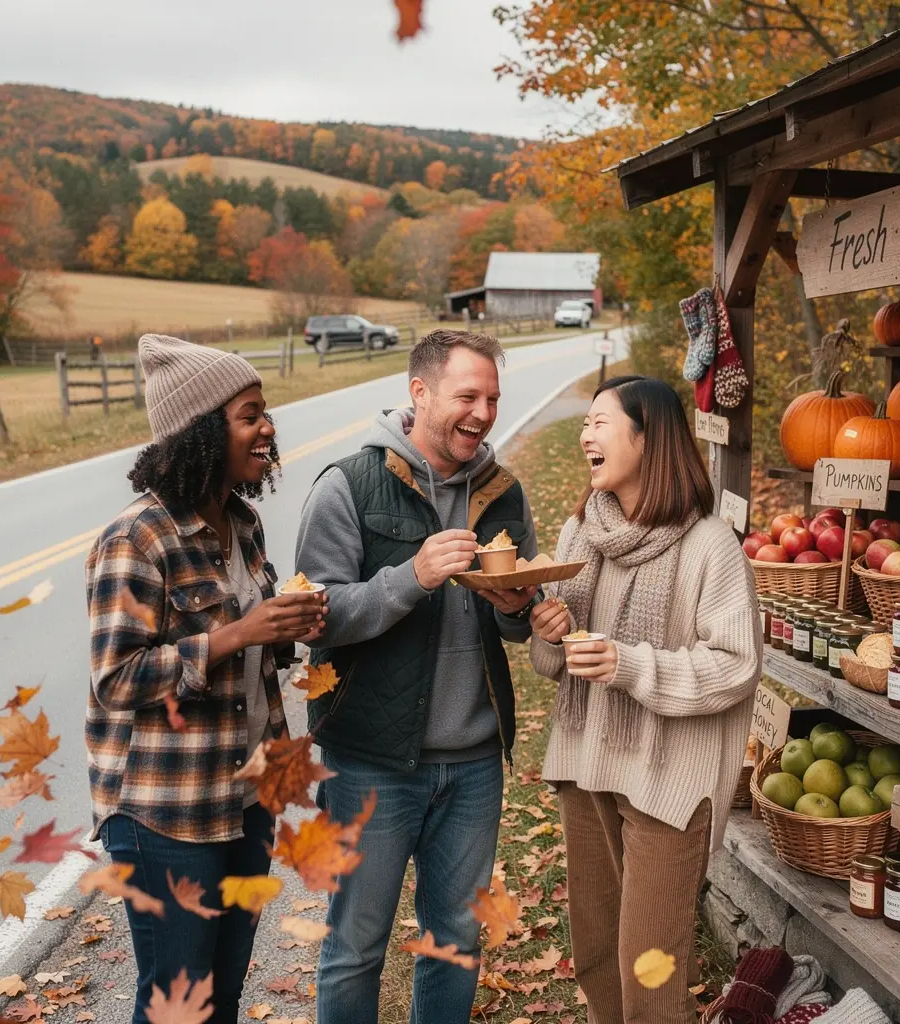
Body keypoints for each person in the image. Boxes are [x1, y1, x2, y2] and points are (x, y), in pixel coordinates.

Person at [294, 328, 539, 1024]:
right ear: (420, 392)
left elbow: (518, 620)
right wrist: (411, 577)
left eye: (493, 398)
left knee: (456, 939)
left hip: (472, 765)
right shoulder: (348, 485)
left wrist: (521, 607)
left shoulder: (503, 492)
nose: (484, 413)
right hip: (369, 760)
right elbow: (315, 617)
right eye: (468, 395)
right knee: (357, 945)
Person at [85, 334, 327, 1024]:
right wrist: (238, 634)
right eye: (250, 415)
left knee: (220, 997)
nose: (267, 429)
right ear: (200, 431)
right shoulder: (137, 539)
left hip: (245, 794)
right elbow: (118, 678)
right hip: (167, 810)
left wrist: (291, 628)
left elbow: (256, 654)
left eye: (265, 412)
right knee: (176, 1003)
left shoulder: (243, 524)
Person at [529, 375, 762, 1023]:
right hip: (587, 764)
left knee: (650, 966)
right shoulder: (584, 532)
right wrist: (549, 632)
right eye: (585, 424)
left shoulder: (708, 545)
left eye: (600, 422)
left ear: (647, 437)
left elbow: (736, 665)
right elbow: (555, 662)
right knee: (598, 950)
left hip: (668, 783)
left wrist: (629, 665)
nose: (585, 435)